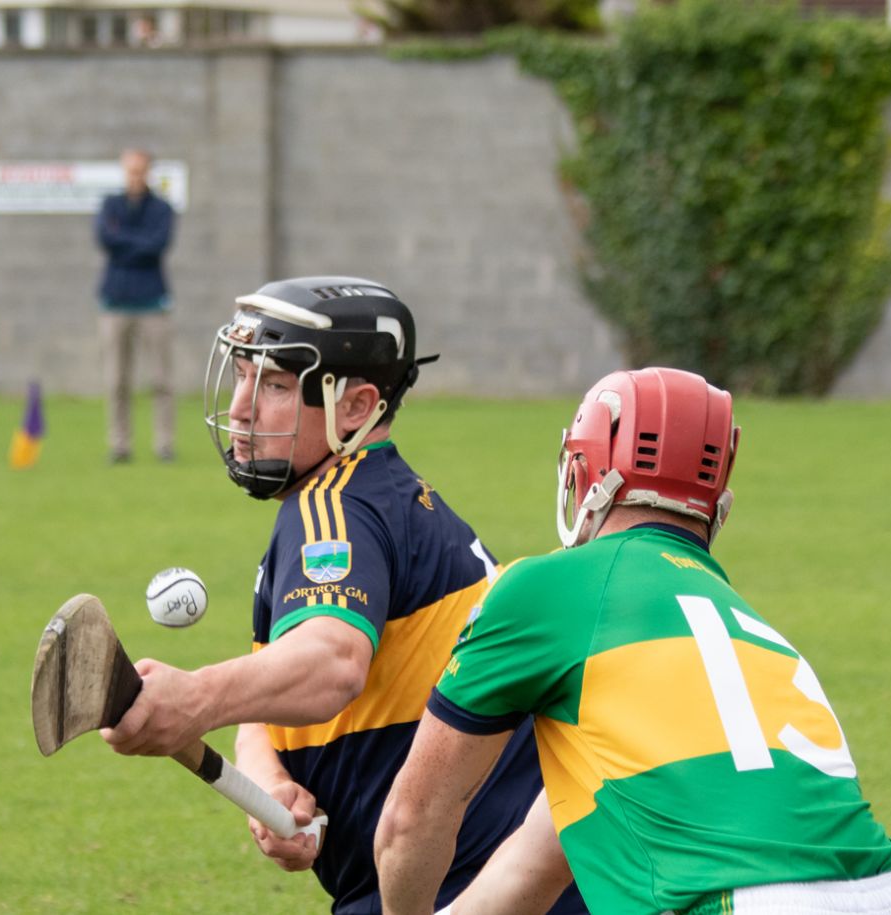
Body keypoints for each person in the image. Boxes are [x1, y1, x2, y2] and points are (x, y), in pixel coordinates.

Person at [376, 366, 891, 915]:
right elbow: (535, 863)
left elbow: (414, 817)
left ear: (587, 471)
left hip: (726, 899)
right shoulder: (739, 622)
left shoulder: (547, 590)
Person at [102, 277, 585, 914]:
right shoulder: (372, 497)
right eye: (245, 375)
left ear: (355, 408)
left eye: (274, 386)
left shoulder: (337, 510)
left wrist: (193, 698)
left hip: (464, 885)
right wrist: (272, 782)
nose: (242, 406)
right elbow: (275, 686)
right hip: (490, 877)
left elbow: (331, 664)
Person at [94, 147, 176, 463]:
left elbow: (157, 245)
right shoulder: (110, 205)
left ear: (149, 172)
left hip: (153, 302)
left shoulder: (162, 208)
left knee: (161, 380)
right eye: (130, 170)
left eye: (141, 170)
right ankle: (120, 445)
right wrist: (135, 243)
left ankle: (164, 444)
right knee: (116, 380)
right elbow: (105, 240)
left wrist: (124, 241)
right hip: (115, 303)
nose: (135, 176)